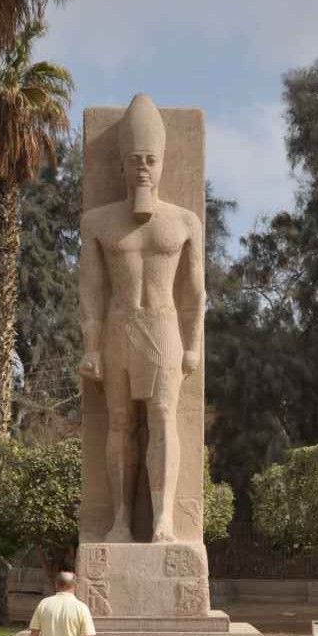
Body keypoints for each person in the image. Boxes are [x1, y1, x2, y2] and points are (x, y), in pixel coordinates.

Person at [79, 94, 205, 543]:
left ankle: (163, 520)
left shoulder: (184, 222)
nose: (144, 168)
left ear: (162, 162)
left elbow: (194, 293)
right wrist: (91, 348)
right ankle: (120, 520)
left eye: (151, 159)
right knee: (119, 422)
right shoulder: (98, 222)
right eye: (135, 160)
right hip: (118, 328)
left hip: (164, 327)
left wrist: (194, 345)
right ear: (122, 165)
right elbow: (91, 291)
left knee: (164, 416)